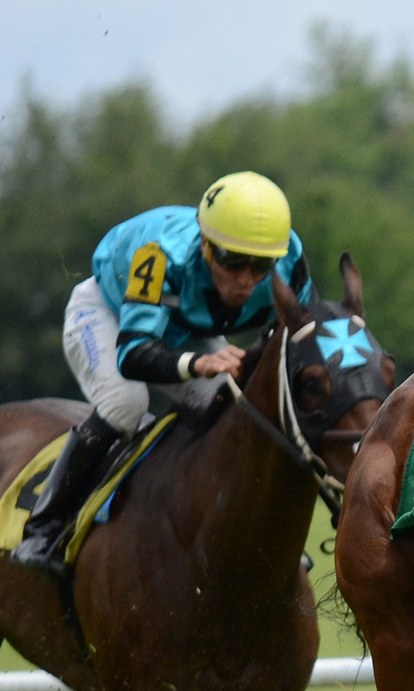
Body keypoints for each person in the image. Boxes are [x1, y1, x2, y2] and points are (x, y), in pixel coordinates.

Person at [12, 171, 313, 577]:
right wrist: (198, 364)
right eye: (232, 261)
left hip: (185, 328)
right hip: (109, 314)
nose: (246, 279)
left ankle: (253, 534)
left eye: (260, 266)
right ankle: (43, 526)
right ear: (206, 246)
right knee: (126, 403)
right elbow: (133, 354)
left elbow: (296, 340)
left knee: (240, 408)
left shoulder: (291, 261)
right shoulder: (159, 254)